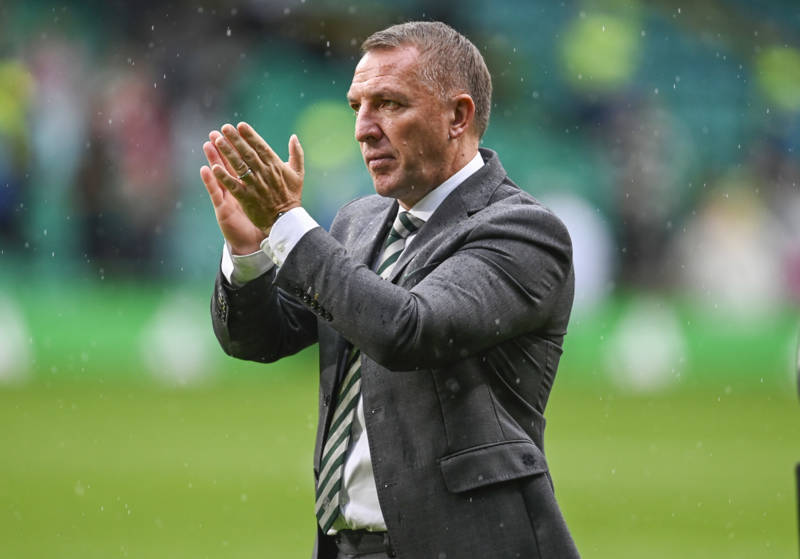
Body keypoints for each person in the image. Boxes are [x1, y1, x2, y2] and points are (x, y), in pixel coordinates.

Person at [200, 21, 579, 559]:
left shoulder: (523, 231)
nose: (363, 129)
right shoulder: (357, 222)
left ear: (457, 117)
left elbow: (408, 330)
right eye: (357, 106)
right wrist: (250, 252)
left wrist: (288, 223)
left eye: (389, 104)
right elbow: (260, 339)